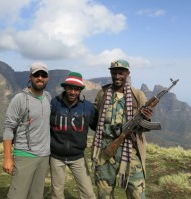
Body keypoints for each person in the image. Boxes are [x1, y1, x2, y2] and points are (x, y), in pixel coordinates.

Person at [91, 59, 153, 199]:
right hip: (105, 149)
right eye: (114, 73)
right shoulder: (103, 93)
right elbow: (94, 117)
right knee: (104, 193)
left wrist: (146, 118)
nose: (117, 76)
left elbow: (145, 126)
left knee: (137, 193)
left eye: (121, 73)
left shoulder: (137, 95)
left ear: (128, 73)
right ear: (111, 73)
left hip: (130, 149)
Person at [2, 62, 51, 199]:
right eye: (36, 75)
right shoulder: (20, 99)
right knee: (17, 195)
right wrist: (7, 158)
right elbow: (8, 128)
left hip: (44, 156)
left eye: (43, 75)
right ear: (30, 76)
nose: (40, 78)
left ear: (48, 78)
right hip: (25, 154)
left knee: (36, 195)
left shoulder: (48, 97)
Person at [50, 72, 98, 199]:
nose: (72, 92)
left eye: (76, 89)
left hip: (78, 157)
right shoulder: (54, 104)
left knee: (88, 194)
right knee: (57, 193)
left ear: (80, 91)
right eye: (70, 88)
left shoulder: (87, 107)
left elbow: (98, 126)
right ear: (65, 88)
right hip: (56, 156)